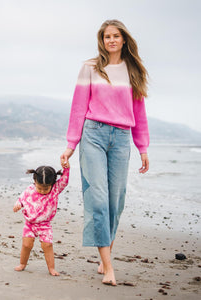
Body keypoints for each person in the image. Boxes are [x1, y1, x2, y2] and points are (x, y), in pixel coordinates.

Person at [60, 19, 149, 286]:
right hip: (93, 135)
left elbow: (140, 114)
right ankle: (108, 266)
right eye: (106, 36)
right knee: (98, 198)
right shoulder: (90, 68)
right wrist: (70, 145)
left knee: (116, 200)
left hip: (122, 138)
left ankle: (105, 252)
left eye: (115, 36)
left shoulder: (133, 70)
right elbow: (78, 108)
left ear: (123, 40)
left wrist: (142, 147)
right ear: (102, 40)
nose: (111, 40)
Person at [13, 163, 70, 276]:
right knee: (27, 245)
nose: (43, 191)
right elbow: (21, 198)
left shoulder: (55, 190)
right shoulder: (29, 189)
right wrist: (18, 204)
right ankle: (22, 264)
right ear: (34, 181)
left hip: (45, 224)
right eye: (39, 188)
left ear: (52, 185)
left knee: (47, 245)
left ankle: (51, 268)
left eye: (46, 189)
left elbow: (64, 180)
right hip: (30, 223)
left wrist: (66, 168)